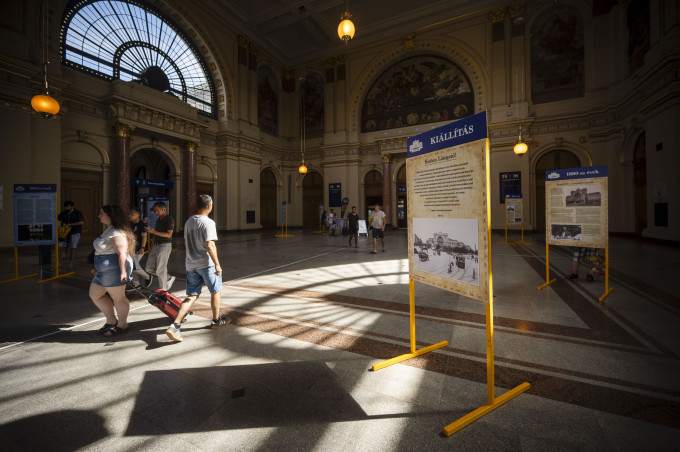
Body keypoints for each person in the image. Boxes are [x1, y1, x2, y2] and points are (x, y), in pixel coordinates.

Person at [166, 195, 230, 342]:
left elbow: (186, 242)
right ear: (209, 206)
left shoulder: (189, 221)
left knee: (192, 295)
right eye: (212, 204)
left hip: (190, 264)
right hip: (206, 264)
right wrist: (217, 264)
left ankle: (175, 325)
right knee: (215, 290)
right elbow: (210, 245)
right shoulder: (208, 223)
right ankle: (216, 320)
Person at [89, 205, 135, 336]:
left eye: (101, 213)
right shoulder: (110, 229)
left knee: (119, 298)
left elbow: (122, 253)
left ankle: (122, 324)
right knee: (95, 294)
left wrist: (123, 272)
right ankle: (111, 320)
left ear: (111, 215)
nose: (99, 216)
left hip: (113, 270)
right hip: (104, 271)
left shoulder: (117, 232)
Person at [144, 201, 175, 291]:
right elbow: (155, 234)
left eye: (157, 211)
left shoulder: (169, 219)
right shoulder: (159, 219)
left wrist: (154, 232)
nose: (156, 213)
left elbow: (169, 234)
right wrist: (152, 246)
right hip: (156, 245)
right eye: (155, 211)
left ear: (164, 209)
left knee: (160, 269)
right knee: (148, 268)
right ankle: (168, 277)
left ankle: (163, 289)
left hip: (165, 245)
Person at [127, 208, 152, 290]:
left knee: (133, 266)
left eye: (132, 214)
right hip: (132, 249)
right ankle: (136, 284)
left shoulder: (141, 224)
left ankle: (147, 276)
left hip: (139, 249)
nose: (130, 216)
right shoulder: (130, 224)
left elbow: (144, 237)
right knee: (133, 267)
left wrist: (142, 248)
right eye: (130, 214)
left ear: (138, 215)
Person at [57, 200, 84, 270]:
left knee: (73, 248)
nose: (67, 208)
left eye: (68, 207)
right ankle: (58, 263)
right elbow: (58, 218)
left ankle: (71, 263)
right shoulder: (64, 213)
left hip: (75, 232)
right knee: (59, 247)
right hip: (64, 232)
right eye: (66, 207)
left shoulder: (78, 213)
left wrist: (70, 225)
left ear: (72, 206)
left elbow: (81, 222)